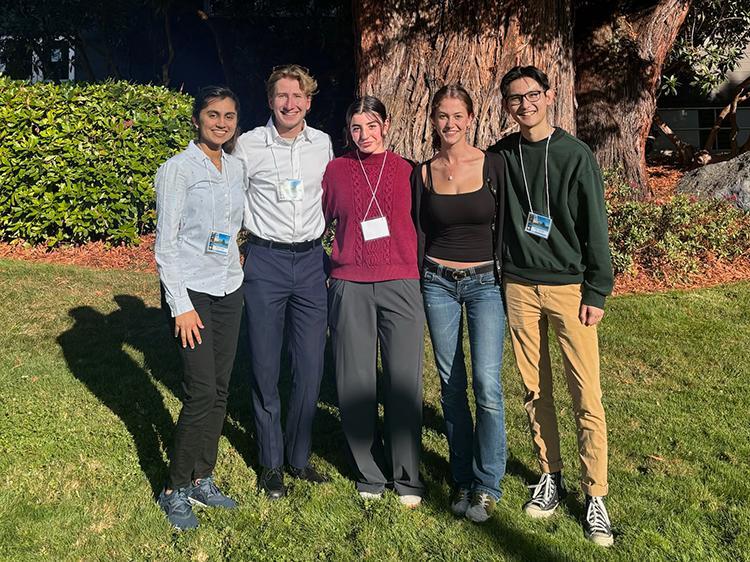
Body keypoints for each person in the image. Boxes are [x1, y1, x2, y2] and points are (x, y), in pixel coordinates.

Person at [488, 65, 615, 547]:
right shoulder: (502, 155)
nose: (525, 104)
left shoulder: (574, 154)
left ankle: (596, 494)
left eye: (533, 95)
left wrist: (597, 290)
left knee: (586, 394)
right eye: (515, 98)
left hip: (568, 289)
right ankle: (550, 475)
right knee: (534, 389)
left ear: (549, 95)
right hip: (519, 287)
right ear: (507, 105)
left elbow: (594, 225)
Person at [235, 64, 333, 499]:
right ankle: (271, 463)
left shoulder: (323, 144)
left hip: (312, 263)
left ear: (308, 102)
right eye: (281, 96)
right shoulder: (248, 145)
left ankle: (299, 455)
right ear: (270, 100)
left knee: (310, 368)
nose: (289, 104)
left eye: (297, 97)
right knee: (265, 366)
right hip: (265, 262)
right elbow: (227, 194)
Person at [322, 96, 425, 507]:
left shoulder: (407, 171)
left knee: (403, 381)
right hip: (350, 283)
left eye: (371, 125)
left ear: (386, 126)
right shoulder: (336, 170)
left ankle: (407, 475)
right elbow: (322, 220)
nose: (364, 135)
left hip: (401, 283)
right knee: (354, 380)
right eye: (356, 127)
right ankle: (369, 470)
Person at [411, 85, 507, 523]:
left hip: (486, 283)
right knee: (451, 386)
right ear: (433, 120)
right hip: (438, 283)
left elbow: (508, 225)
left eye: (457, 115)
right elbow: (418, 229)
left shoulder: (492, 165)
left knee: (487, 386)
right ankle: (463, 478)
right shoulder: (424, 173)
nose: (450, 124)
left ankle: (488, 484)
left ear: (470, 117)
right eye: (442, 116)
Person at [154, 86, 247, 530]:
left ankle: (202, 476)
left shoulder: (235, 168)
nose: (221, 123)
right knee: (201, 391)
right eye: (213, 114)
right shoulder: (177, 170)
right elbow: (165, 247)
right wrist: (180, 306)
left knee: (222, 388)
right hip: (192, 294)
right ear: (197, 119)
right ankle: (174, 488)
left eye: (229, 116)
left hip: (230, 289)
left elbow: (232, 230)